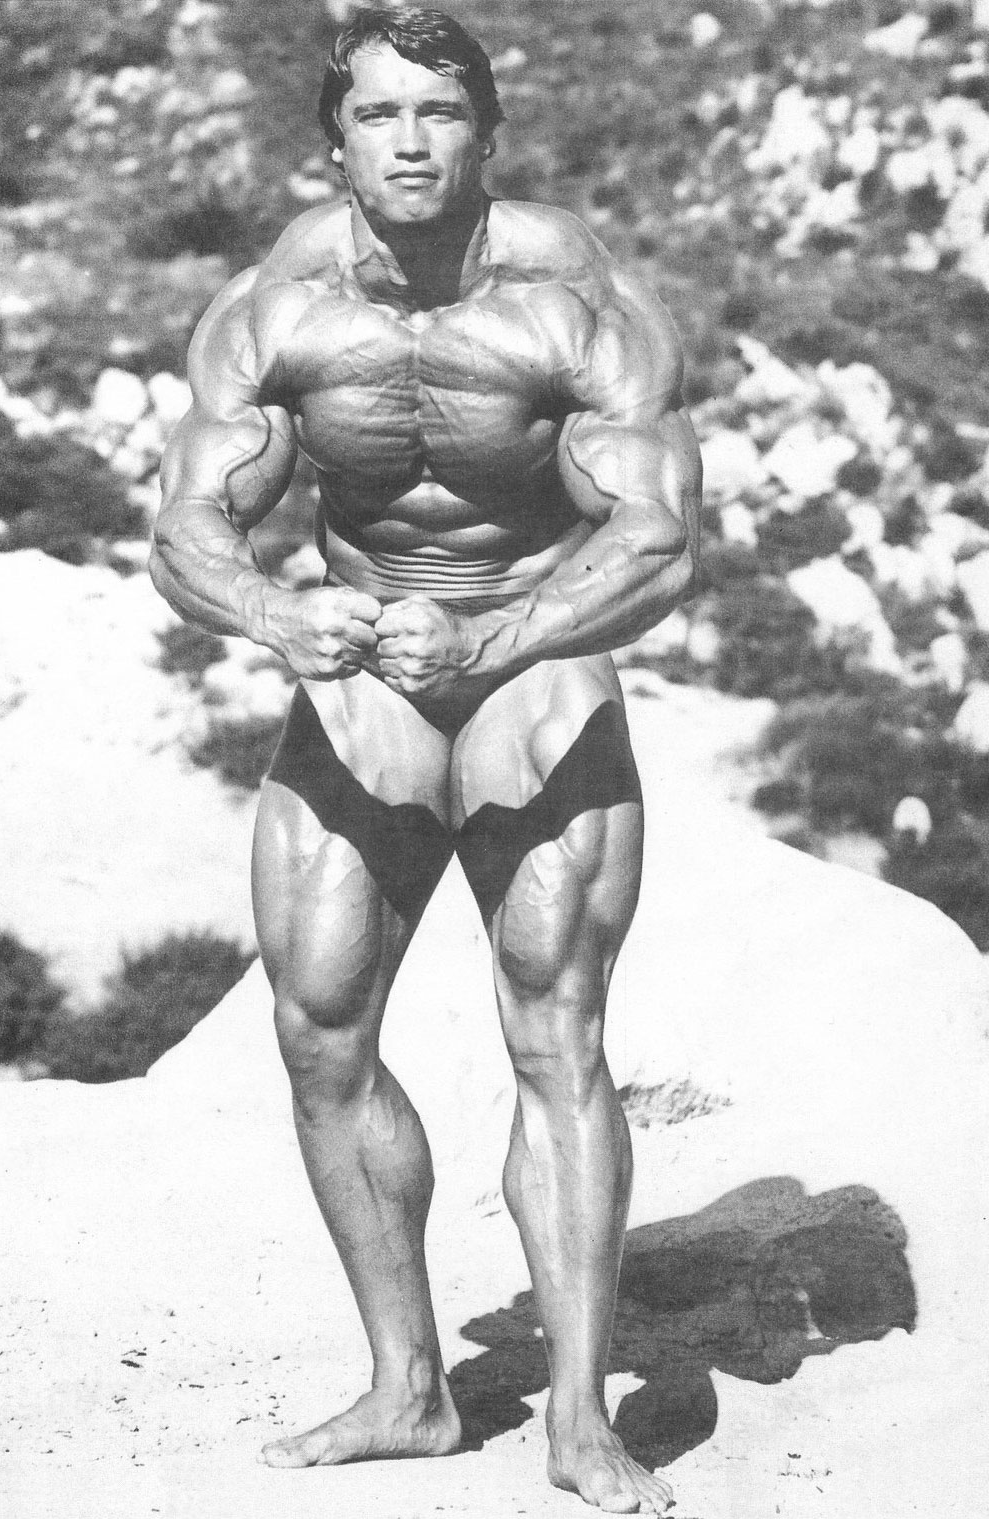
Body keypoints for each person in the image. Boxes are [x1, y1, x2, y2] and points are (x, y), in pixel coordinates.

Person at [151, 8, 700, 1512]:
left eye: (441, 113)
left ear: (488, 136)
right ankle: (409, 1387)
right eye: (379, 114)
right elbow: (187, 524)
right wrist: (276, 612)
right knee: (319, 1025)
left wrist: (504, 632)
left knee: (555, 1029)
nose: (410, 141)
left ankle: (580, 1418)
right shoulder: (276, 309)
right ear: (334, 143)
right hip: (368, 666)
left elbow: (658, 541)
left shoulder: (568, 297)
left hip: (532, 654)